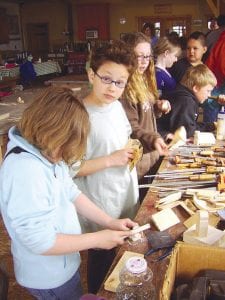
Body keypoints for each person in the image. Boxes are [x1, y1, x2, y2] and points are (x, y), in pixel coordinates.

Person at [0, 87, 137, 300]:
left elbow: (71, 192)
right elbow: (39, 240)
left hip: (63, 264)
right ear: (48, 131)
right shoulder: (26, 170)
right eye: (64, 146)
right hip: (48, 275)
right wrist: (96, 239)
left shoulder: (45, 151)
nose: (65, 154)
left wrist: (109, 222)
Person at [73, 40, 139, 294]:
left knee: (120, 261)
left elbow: (121, 139)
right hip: (100, 205)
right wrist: (111, 160)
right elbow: (70, 169)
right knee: (101, 263)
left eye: (120, 82)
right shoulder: (79, 115)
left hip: (123, 196)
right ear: (92, 74)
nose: (113, 88)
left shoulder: (117, 106)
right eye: (106, 79)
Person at [120, 32, 169, 198]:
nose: (143, 62)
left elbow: (146, 113)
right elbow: (132, 129)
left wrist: (158, 107)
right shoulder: (125, 88)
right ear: (127, 55)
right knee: (142, 201)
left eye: (147, 57)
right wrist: (154, 139)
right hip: (139, 161)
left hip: (151, 156)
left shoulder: (143, 80)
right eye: (138, 56)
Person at [157, 64, 217, 138]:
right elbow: (187, 131)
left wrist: (212, 125)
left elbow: (190, 125)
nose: (209, 95)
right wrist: (210, 127)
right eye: (208, 91)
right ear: (196, 88)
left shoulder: (184, 96)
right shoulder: (186, 101)